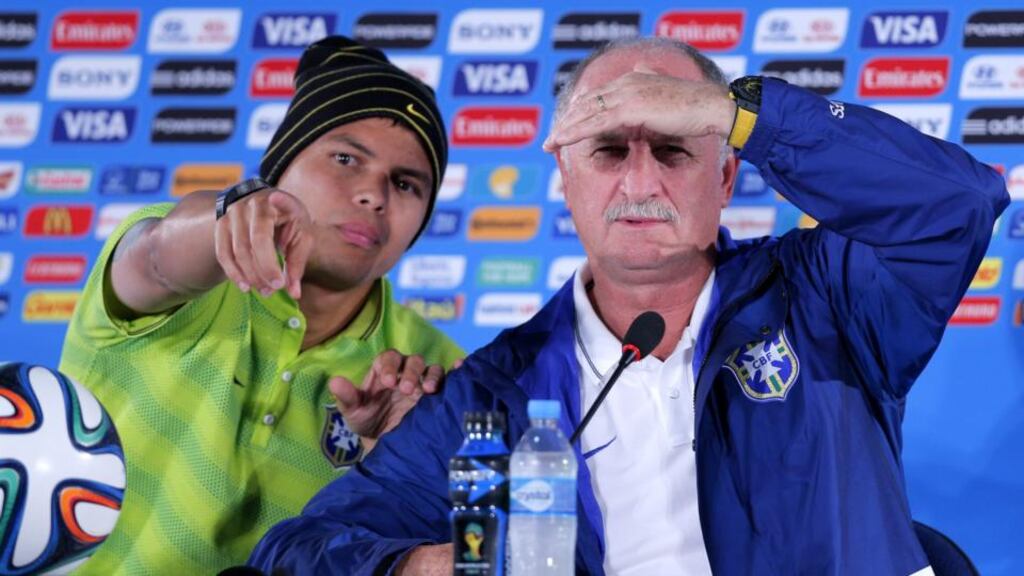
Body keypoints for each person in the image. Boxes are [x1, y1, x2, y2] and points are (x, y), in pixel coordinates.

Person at [248, 37, 1009, 575]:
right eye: (610, 149)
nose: (640, 183)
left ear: (726, 176)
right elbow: (293, 552)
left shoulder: (825, 295)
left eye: (675, 146)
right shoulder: (495, 390)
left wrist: (740, 112)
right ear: (565, 176)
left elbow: (958, 204)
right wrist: (429, 565)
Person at [58, 36, 464, 574]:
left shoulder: (431, 371)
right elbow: (156, 256)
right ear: (281, 168)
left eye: (406, 184)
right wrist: (227, 212)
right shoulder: (179, 270)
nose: (375, 195)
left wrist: (391, 466)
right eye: (345, 159)